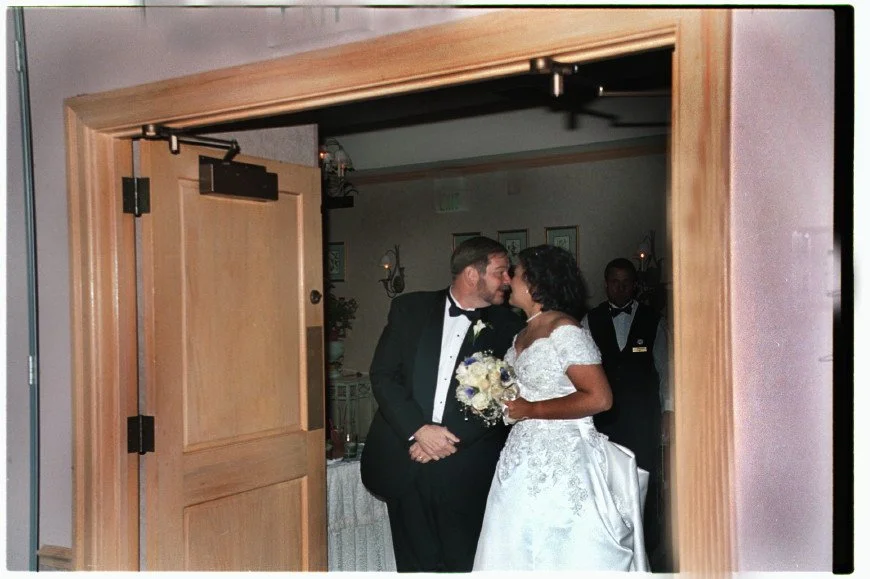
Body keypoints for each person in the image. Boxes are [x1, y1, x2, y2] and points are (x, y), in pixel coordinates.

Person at [473, 245, 649, 572]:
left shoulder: (564, 329)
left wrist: (531, 409)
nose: (509, 278)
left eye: (517, 272)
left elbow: (599, 398)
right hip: (520, 458)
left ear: (538, 283)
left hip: (565, 458)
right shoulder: (521, 335)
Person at [360, 236, 524, 572]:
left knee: (463, 562)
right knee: (413, 563)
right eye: (500, 272)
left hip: (464, 467)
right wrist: (418, 430)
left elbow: (502, 397)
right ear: (471, 274)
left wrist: (443, 440)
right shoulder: (410, 308)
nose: (508, 279)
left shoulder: (510, 326)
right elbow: (383, 375)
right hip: (404, 460)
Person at [583, 257, 672, 571]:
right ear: (606, 283)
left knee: (642, 478)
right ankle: (609, 548)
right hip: (603, 420)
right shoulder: (588, 320)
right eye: (614, 282)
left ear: (634, 284)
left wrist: (668, 413)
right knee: (605, 482)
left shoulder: (653, 320)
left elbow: (667, 370)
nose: (620, 288)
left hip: (642, 418)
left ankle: (645, 548)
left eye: (626, 282)